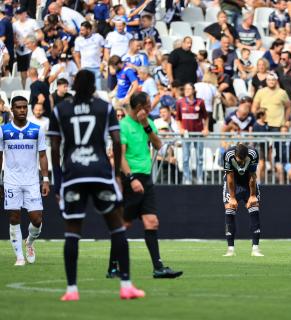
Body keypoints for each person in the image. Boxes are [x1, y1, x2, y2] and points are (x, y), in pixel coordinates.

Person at [49, 70, 144, 301]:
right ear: (93, 87)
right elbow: (117, 140)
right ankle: (126, 285)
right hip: (100, 172)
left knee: (72, 232)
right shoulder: (105, 107)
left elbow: (54, 147)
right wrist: (117, 177)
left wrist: (58, 182)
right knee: (117, 226)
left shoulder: (60, 110)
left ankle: (71, 290)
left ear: (73, 85)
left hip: (73, 174)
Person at [106, 91, 183, 279]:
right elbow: (120, 156)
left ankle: (158, 268)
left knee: (152, 222)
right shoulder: (123, 126)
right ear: (140, 107)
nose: (151, 108)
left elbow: (158, 146)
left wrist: (146, 126)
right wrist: (131, 179)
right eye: (148, 106)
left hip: (146, 178)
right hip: (130, 178)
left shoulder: (147, 123)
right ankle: (113, 267)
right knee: (124, 223)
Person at [1, 96, 49, 266]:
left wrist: (45, 179)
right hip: (11, 180)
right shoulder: (3, 130)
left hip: (31, 180)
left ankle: (29, 242)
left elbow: (42, 155)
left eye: (24, 107)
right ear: (12, 109)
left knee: (37, 219)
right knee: (14, 217)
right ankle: (19, 257)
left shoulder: (37, 129)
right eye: (18, 107)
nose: (22, 110)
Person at [222, 143, 263, 257]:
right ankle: (230, 249)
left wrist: (253, 195)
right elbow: (230, 177)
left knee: (254, 209)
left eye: (243, 161)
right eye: (239, 161)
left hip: (247, 182)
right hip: (233, 183)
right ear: (235, 155)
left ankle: (255, 249)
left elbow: (252, 175)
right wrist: (233, 198)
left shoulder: (253, 153)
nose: (241, 164)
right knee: (229, 210)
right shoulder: (228, 155)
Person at [176, 83, 209, 184]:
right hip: (186, 134)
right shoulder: (180, 102)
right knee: (186, 158)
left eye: (189, 89)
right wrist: (180, 128)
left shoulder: (200, 102)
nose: (187, 90)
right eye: (185, 89)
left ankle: (199, 178)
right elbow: (178, 118)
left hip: (198, 133)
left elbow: (206, 117)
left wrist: (206, 128)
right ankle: (187, 179)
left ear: (194, 90)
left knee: (199, 158)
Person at [13, 7, 41, 87]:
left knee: (33, 70)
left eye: (21, 13)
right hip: (20, 51)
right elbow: (14, 37)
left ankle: (35, 87)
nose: (19, 15)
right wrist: (17, 42)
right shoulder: (14, 25)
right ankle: (24, 89)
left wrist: (31, 41)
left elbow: (40, 34)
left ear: (25, 13)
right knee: (23, 72)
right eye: (18, 14)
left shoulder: (32, 22)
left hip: (31, 50)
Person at [74, 21, 105, 90]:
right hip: (85, 68)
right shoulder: (78, 40)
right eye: (80, 30)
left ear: (88, 30)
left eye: (83, 30)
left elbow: (104, 49)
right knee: (85, 89)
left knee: (98, 89)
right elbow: (77, 55)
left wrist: (103, 62)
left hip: (97, 67)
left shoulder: (98, 37)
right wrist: (80, 68)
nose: (81, 32)